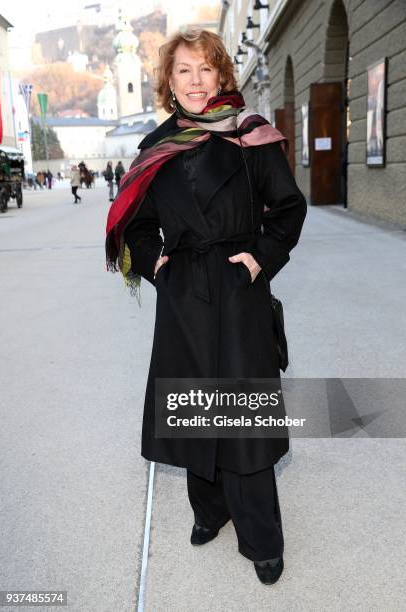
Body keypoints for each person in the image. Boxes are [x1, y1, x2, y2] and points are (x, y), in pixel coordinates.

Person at [105, 28, 307, 585]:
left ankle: (261, 536)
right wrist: (157, 265)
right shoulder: (155, 149)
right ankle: (209, 510)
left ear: (222, 75)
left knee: (243, 415)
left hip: (239, 288)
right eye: (183, 71)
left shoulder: (250, 136)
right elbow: (137, 227)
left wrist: (259, 256)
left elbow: (288, 208)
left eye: (205, 69)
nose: (196, 81)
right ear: (169, 83)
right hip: (185, 291)